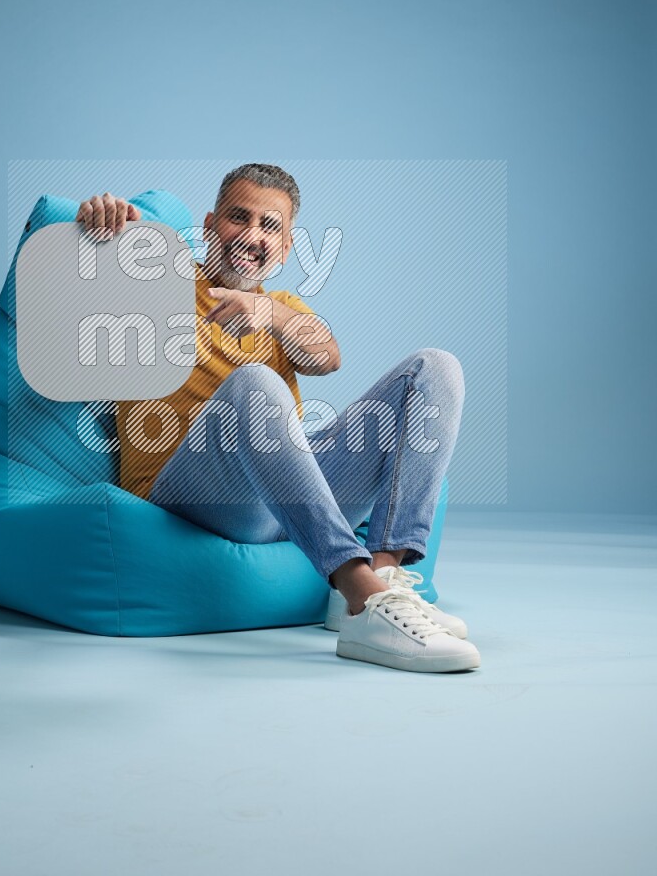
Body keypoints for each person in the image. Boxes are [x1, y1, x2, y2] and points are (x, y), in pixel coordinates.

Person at [75, 163, 480, 673]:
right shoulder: (158, 285)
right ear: (208, 226)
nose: (251, 235)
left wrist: (269, 315)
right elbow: (83, 294)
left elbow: (326, 358)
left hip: (283, 499)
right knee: (255, 382)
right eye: (237, 218)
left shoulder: (285, 309)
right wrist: (97, 230)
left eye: (270, 226)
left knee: (436, 368)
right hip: (189, 497)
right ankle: (361, 598)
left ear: (286, 248)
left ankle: (385, 578)